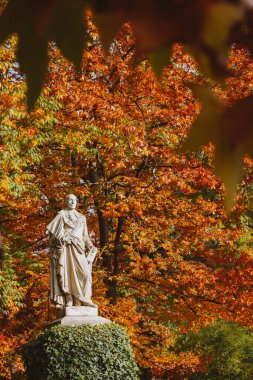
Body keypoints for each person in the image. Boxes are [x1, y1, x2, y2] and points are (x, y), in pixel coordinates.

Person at [46, 194, 97, 308]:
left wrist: (90, 245)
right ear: (66, 202)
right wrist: (63, 238)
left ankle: (85, 298)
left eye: (75, 200)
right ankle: (69, 299)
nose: (73, 202)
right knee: (66, 273)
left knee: (86, 274)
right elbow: (52, 235)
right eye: (70, 200)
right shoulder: (61, 215)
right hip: (66, 248)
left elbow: (85, 236)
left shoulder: (82, 217)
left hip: (79, 248)